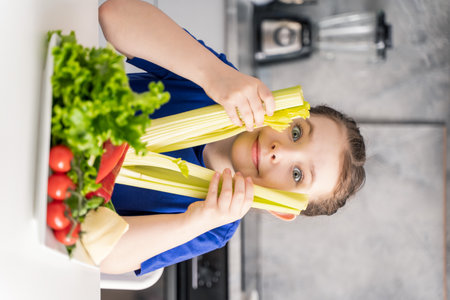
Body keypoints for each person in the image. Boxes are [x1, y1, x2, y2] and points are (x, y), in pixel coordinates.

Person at [98, 0, 366, 275]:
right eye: (296, 132)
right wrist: (212, 73)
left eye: (297, 175)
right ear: (294, 112)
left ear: (283, 209)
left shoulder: (214, 226)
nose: (280, 151)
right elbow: (114, 16)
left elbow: (103, 255)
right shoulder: (219, 87)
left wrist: (195, 221)